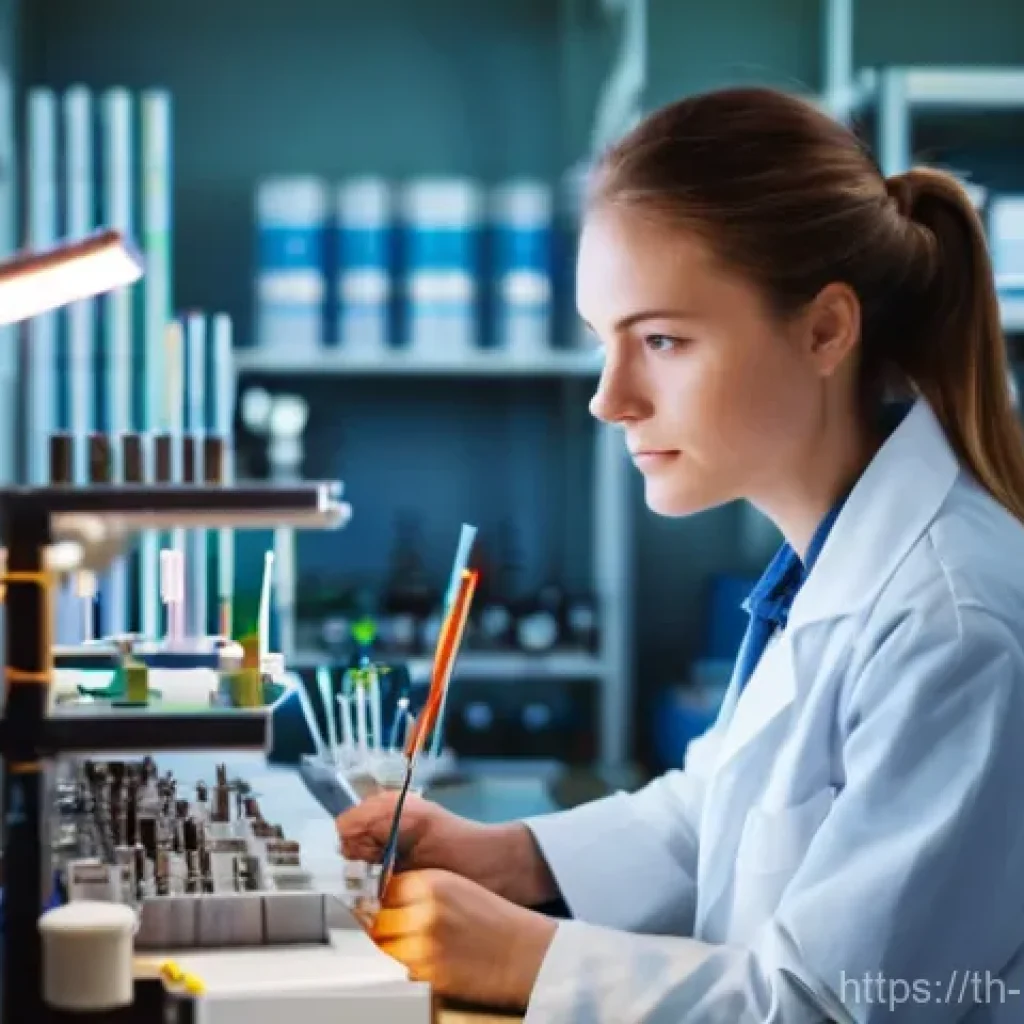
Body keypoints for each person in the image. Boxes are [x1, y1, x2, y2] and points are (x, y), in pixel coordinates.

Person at [337, 85, 1024, 1022]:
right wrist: (511, 856)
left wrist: (532, 961)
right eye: (602, 342)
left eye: (660, 339)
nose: (608, 398)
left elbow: (839, 1007)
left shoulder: (956, 626)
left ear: (826, 329)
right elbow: (727, 810)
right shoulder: (827, 560)